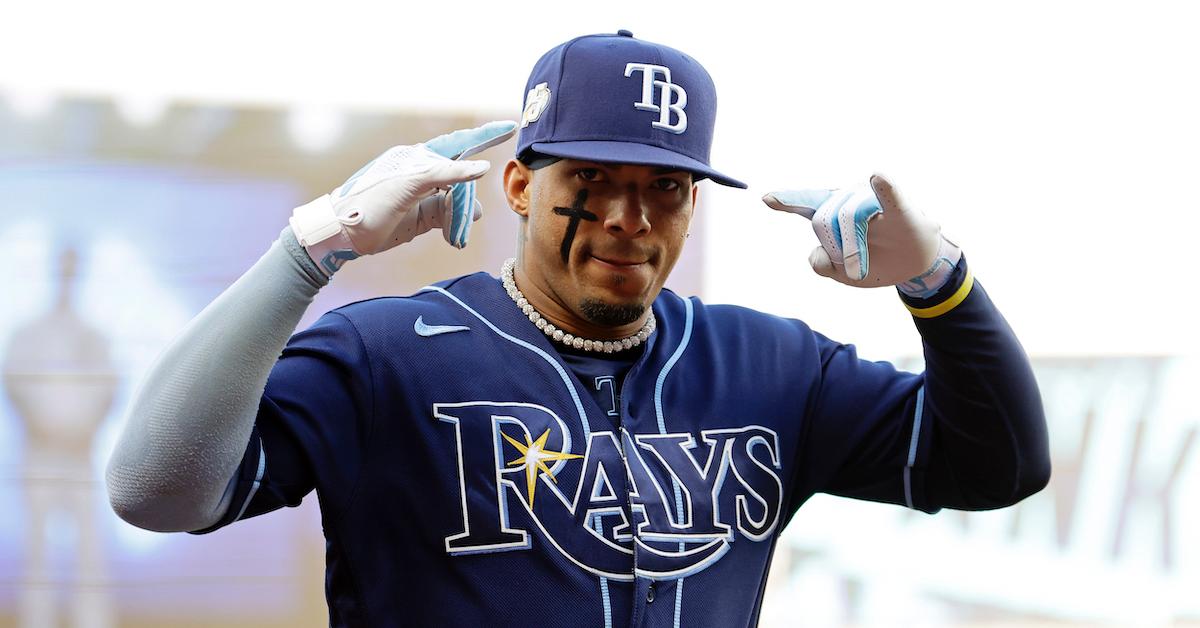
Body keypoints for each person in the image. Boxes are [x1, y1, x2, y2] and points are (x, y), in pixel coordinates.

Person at [106, 30, 1050, 628]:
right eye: (591, 181)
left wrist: (940, 285)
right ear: (521, 185)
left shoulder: (769, 366)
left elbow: (996, 466)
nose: (628, 219)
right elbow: (156, 490)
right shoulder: (383, 356)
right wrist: (310, 251)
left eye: (664, 190)